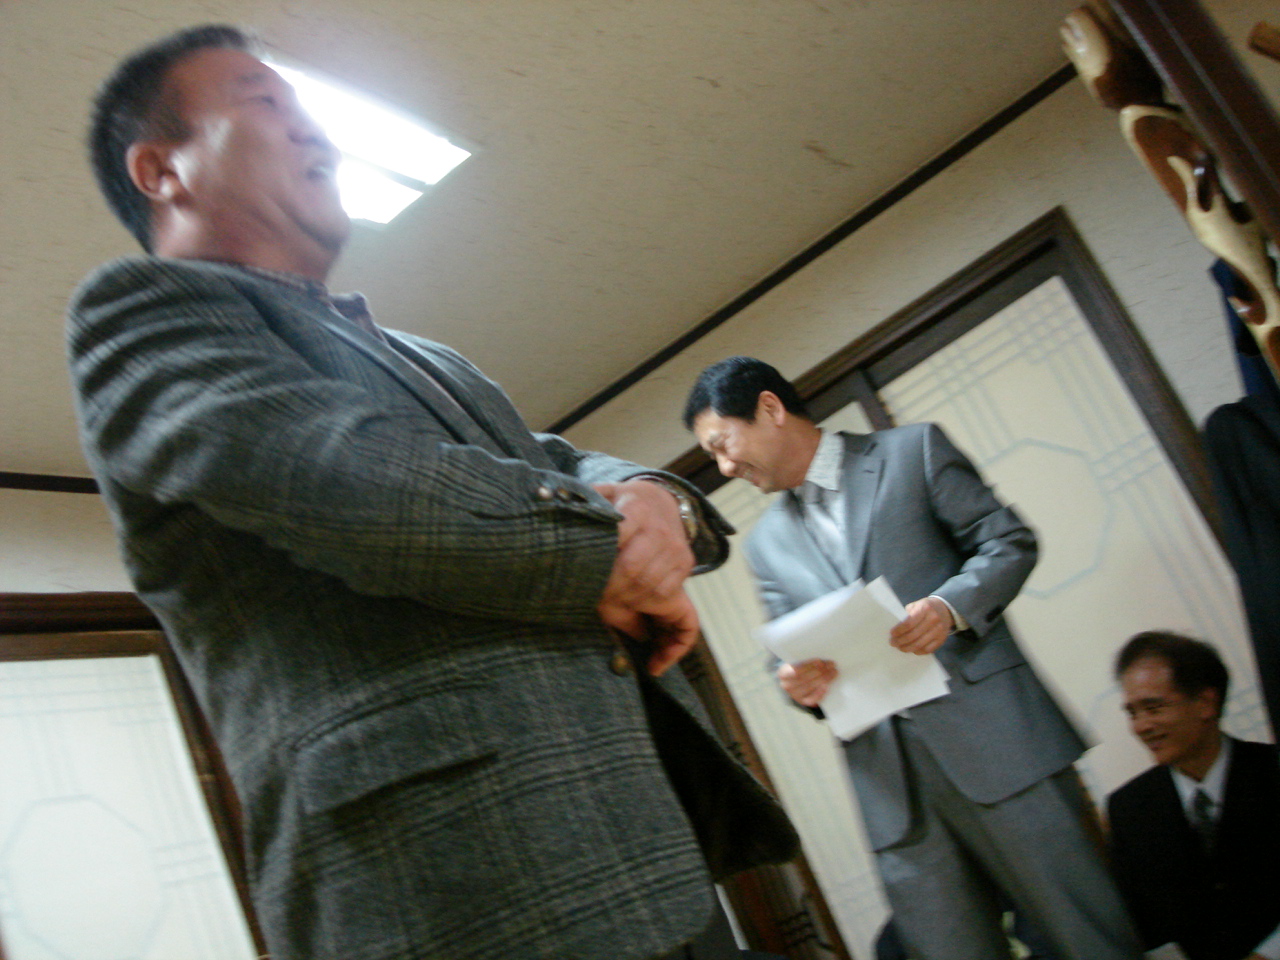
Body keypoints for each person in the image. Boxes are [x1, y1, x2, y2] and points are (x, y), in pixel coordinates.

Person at [68, 26, 797, 960]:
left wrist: (660, 504)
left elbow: (563, 464)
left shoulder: (430, 358)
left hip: (645, 840)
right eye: (266, 104)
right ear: (161, 170)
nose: (315, 131)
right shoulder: (141, 310)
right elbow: (355, 479)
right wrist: (612, 554)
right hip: (450, 887)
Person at [683, 356, 1142, 960]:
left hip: (1002, 750)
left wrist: (949, 608)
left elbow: (1007, 541)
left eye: (722, 445)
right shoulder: (766, 546)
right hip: (891, 791)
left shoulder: (913, 452)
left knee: (1090, 939)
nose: (724, 468)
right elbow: (783, 652)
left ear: (770, 408)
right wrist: (794, 683)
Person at [1109, 630, 1280, 960]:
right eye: (1132, 713)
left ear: (1205, 703)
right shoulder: (1129, 808)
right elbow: (1145, 924)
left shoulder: (1271, 771)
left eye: (1153, 708)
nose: (1141, 726)